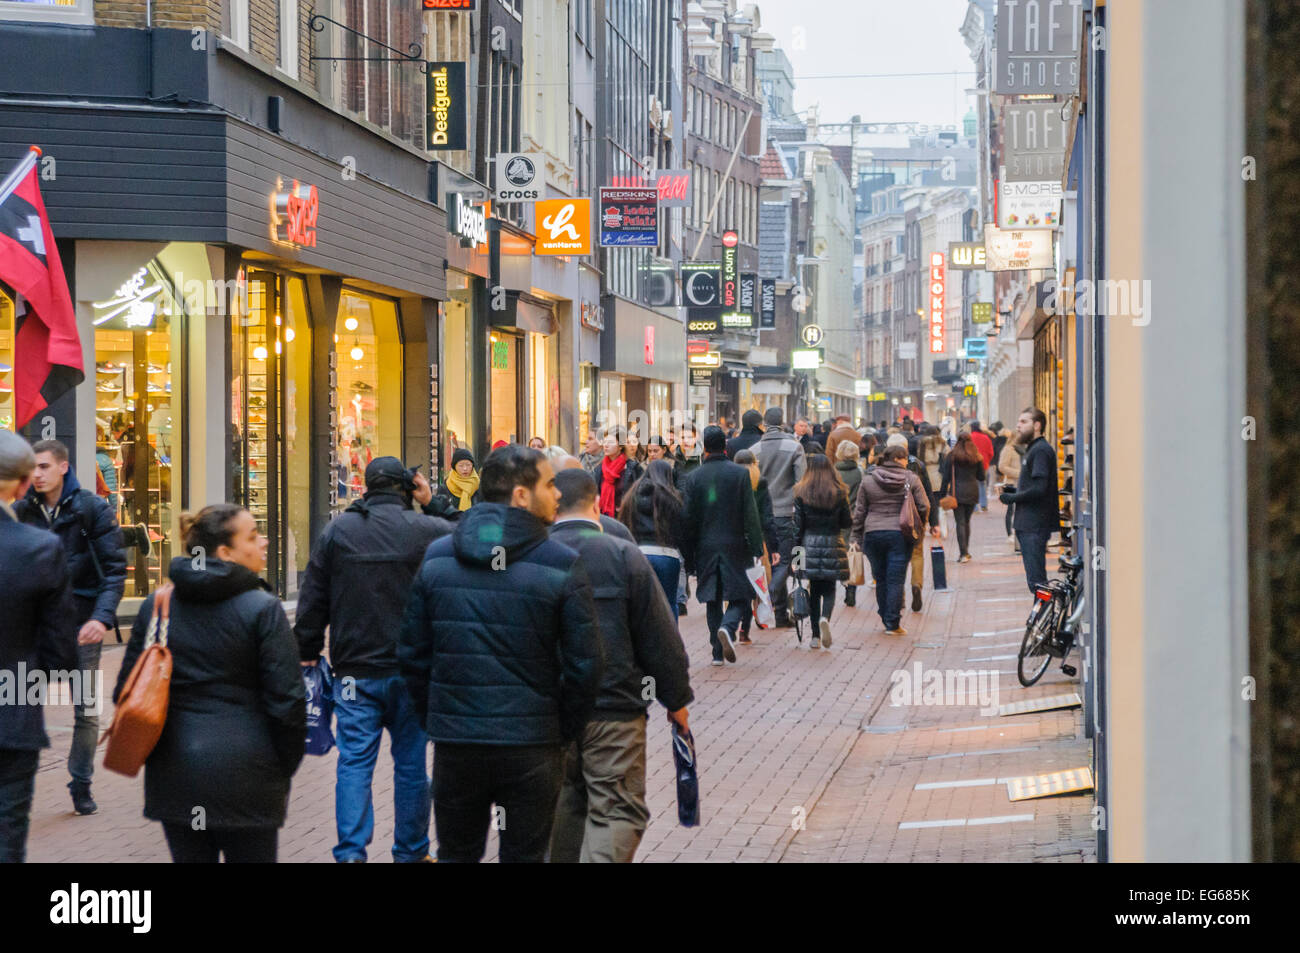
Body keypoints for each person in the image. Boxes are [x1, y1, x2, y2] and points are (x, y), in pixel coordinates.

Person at [397, 445, 604, 863]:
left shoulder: (438, 557)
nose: (558, 494)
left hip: (459, 744)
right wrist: (561, 730)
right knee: (525, 855)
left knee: (457, 853)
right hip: (532, 745)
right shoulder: (561, 564)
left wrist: (438, 717)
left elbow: (413, 655)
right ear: (521, 496)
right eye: (549, 484)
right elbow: (586, 665)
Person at [115, 504, 306, 862]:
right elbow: (289, 702)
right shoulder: (263, 609)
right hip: (250, 775)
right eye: (252, 536)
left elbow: (125, 689)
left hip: (176, 775)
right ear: (224, 553)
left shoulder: (158, 607)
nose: (264, 541)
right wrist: (281, 765)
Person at [294, 458, 454, 863]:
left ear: (365, 486)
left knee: (354, 764)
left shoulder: (339, 530)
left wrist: (308, 650)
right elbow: (471, 536)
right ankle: (412, 852)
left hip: (355, 671)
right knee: (412, 766)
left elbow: (314, 596)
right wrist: (432, 501)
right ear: (406, 486)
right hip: (412, 672)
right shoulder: (427, 530)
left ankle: (350, 854)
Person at [549, 468, 692, 863]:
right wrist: (676, 700)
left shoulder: (528, 556)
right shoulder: (623, 555)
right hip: (614, 709)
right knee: (616, 810)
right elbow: (659, 636)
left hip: (547, 714)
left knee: (557, 808)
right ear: (596, 504)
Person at [13, 439, 125, 816]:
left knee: (86, 709)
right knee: (20, 701)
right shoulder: (20, 511)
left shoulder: (92, 509)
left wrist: (100, 618)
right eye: (33, 468)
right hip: (31, 627)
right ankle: (16, 783)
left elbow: (114, 571)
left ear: (63, 467)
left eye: (44, 467)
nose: (38, 475)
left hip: (81, 623)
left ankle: (81, 782)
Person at [0, 432, 77, 863]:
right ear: (24, 484)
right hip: (13, 718)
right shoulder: (39, 548)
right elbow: (60, 648)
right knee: (8, 833)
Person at [680, 426, 765, 666]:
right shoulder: (739, 475)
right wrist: (757, 546)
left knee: (712, 597)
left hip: (705, 544)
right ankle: (729, 627)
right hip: (736, 543)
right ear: (725, 446)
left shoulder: (694, 477)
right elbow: (751, 513)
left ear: (704, 447)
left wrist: (689, 553)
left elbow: (687, 517)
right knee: (742, 594)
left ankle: (717, 652)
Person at [851, 444, 930, 636]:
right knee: (896, 579)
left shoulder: (868, 479)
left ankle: (885, 614)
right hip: (900, 534)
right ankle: (892, 622)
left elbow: (860, 510)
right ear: (899, 459)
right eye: (905, 458)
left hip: (873, 533)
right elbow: (924, 505)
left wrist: (856, 535)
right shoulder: (911, 478)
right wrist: (919, 526)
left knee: (881, 578)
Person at [792, 453, 851, 649]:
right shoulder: (840, 492)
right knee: (830, 588)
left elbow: (797, 528)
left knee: (815, 590)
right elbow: (846, 522)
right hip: (833, 543)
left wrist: (797, 558)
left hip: (809, 544)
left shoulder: (801, 492)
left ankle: (815, 636)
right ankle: (825, 618)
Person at [754, 407, 806, 628]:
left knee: (767, 562)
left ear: (764, 423)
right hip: (786, 513)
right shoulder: (794, 447)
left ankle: (781, 616)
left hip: (760, 515)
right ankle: (772, 591)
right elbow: (801, 482)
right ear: (783, 421)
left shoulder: (754, 449)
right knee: (785, 561)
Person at [1000, 408, 1060, 593]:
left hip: (1034, 524)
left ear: (1037, 425)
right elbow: (1034, 486)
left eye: (1024, 421)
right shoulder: (1033, 449)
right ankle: (1042, 619)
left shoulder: (1040, 450)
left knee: (1038, 582)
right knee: (1035, 582)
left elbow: (1040, 488)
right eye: (1018, 421)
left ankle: (1044, 619)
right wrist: (1014, 490)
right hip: (1029, 524)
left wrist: (1013, 497)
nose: (1018, 426)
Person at [618, 458, 686, 615]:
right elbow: (680, 529)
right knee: (669, 603)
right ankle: (670, 639)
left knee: (640, 605)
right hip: (666, 555)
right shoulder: (672, 498)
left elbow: (624, 526)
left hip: (639, 553)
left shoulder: (631, 497)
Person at [886, 434, 940, 611]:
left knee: (895, 558)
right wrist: (932, 521)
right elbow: (928, 495)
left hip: (891, 519)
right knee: (916, 554)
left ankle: (899, 594)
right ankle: (916, 585)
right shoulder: (917, 464)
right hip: (914, 518)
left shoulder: (879, 468)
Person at [731, 448, 780, 644]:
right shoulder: (760, 482)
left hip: (732, 539)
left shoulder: (730, 481)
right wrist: (773, 546)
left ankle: (731, 624)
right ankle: (746, 628)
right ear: (755, 463)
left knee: (737, 583)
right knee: (756, 582)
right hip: (756, 540)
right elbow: (767, 517)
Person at [938, 432, 986, 563]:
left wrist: (942, 495)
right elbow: (982, 477)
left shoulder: (952, 457)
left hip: (956, 492)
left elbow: (946, 478)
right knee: (967, 521)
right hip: (972, 491)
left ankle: (963, 554)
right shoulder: (977, 456)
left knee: (960, 522)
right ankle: (966, 552)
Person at [834, 440, 864, 607]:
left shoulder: (833, 473)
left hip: (836, 518)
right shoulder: (860, 473)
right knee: (853, 552)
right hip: (854, 518)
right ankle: (851, 589)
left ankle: (839, 581)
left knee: (837, 553)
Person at [590, 429, 644, 518]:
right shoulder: (599, 469)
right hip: (604, 518)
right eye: (605, 442)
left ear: (620, 446)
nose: (606, 445)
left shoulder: (633, 468)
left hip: (627, 518)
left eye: (610, 442)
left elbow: (641, 493)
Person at [434, 447, 482, 515]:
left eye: (468, 465)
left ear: (472, 466)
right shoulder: (445, 487)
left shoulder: (479, 486)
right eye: (461, 465)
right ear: (455, 467)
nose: (465, 468)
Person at [997, 428, 1024, 546]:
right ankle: (1010, 534)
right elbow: (1002, 466)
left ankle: (1020, 532)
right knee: (1011, 509)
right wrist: (1018, 473)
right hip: (1012, 483)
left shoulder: (1025, 448)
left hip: (1024, 483)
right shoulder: (1009, 449)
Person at [969, 421, 995, 511]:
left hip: (971, 464)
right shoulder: (986, 437)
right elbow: (991, 452)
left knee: (973, 485)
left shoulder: (970, 437)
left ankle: (975, 506)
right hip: (984, 464)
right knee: (982, 484)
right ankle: (984, 504)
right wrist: (987, 461)